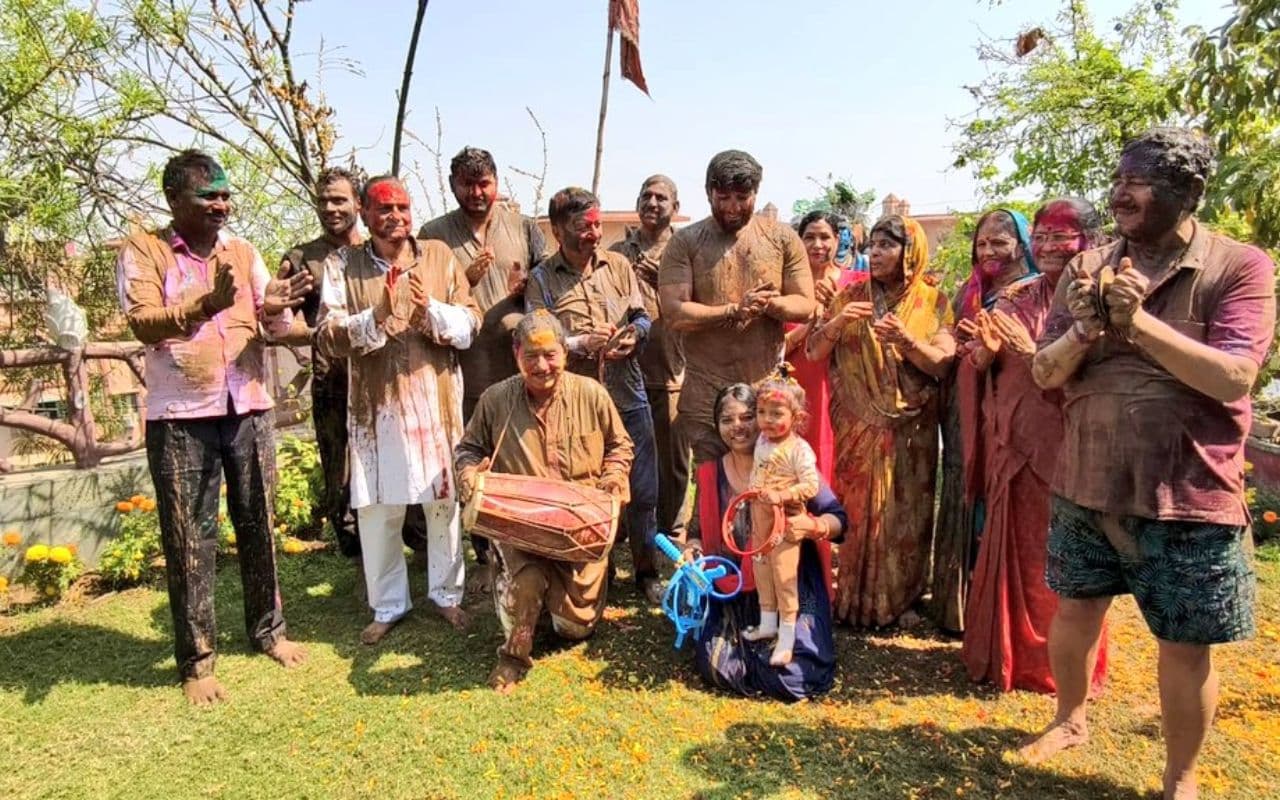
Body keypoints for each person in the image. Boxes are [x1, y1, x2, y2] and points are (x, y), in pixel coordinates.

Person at [1023, 128, 1274, 800]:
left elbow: (1234, 377)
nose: (1120, 193)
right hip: (1089, 480)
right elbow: (1045, 371)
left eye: (1139, 180)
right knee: (1075, 611)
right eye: (1119, 177)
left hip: (1188, 488)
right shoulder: (1089, 266)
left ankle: (1181, 776)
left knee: (1186, 645)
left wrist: (1139, 324)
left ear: (1189, 191)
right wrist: (1086, 329)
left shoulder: (1238, 266)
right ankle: (1070, 721)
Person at [116, 149, 310, 705]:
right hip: (180, 417)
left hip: (247, 405)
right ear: (175, 199)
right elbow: (141, 322)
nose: (222, 205)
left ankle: (269, 632)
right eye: (210, 196)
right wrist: (205, 305)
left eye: (226, 196)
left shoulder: (243, 252)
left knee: (260, 524)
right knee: (189, 539)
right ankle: (197, 663)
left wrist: (274, 306)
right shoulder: (145, 251)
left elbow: (275, 323)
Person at [315, 175, 478, 643]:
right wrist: (378, 317)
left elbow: (470, 321)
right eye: (384, 209)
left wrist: (433, 315)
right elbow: (328, 334)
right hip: (375, 409)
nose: (396, 217)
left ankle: (447, 596)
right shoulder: (342, 265)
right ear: (365, 215)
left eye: (403, 208)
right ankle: (387, 605)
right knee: (378, 509)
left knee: (443, 503)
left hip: (436, 402)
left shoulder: (440, 257)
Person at [959, 199, 1110, 693]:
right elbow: (986, 365)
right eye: (1042, 236)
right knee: (1015, 547)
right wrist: (983, 353)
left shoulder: (1104, 302)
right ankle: (1008, 656)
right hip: (1015, 442)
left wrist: (1030, 354)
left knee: (1064, 557)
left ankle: (1058, 666)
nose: (1048, 246)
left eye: (1060, 237)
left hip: (1071, 445)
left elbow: (1100, 375)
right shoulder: (1018, 296)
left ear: (1089, 240)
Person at [455, 312, 634, 693]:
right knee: (530, 581)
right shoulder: (495, 399)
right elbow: (467, 450)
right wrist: (469, 474)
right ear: (517, 354)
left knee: (574, 629)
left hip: (580, 529)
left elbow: (620, 446)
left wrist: (614, 478)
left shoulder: (591, 393)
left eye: (550, 354)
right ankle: (513, 655)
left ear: (565, 354)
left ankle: (561, 605)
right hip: (521, 527)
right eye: (531, 356)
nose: (542, 365)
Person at [807, 215, 956, 627]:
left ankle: (900, 599)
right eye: (871, 244)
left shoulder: (935, 302)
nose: (875, 253)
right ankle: (850, 595)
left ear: (911, 252)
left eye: (887, 245)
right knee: (855, 509)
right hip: (857, 425)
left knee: (904, 513)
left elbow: (943, 365)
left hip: (911, 430)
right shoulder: (849, 296)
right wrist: (837, 323)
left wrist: (907, 342)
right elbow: (815, 352)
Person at [526, 187, 661, 603]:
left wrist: (634, 337)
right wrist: (579, 341)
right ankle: (585, 577)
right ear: (558, 230)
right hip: (574, 403)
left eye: (598, 225)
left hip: (626, 390)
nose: (595, 234)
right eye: (584, 227)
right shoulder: (542, 280)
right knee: (582, 492)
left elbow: (642, 316)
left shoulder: (618, 265)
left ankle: (645, 573)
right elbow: (537, 337)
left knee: (643, 489)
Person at [418, 147, 545, 571]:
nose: (476, 192)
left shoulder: (524, 227)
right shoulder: (433, 235)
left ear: (496, 183)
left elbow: (547, 287)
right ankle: (481, 548)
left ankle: (523, 540)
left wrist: (527, 286)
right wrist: (463, 281)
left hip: (516, 365)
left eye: (484, 183)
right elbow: (423, 302)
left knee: (520, 449)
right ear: (453, 184)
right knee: (473, 452)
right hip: (464, 368)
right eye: (467, 184)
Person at [686, 383, 847, 701]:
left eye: (747, 417)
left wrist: (809, 526)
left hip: (794, 580)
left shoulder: (791, 461)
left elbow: (839, 521)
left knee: (795, 677)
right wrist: (692, 552)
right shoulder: (710, 474)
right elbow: (695, 534)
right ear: (717, 426)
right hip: (735, 586)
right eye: (727, 420)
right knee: (716, 665)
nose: (737, 427)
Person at [659, 149, 815, 469]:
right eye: (723, 197)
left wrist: (769, 305)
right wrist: (732, 311)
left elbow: (806, 304)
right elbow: (674, 312)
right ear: (708, 193)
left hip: (765, 392)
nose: (732, 207)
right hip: (706, 390)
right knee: (710, 483)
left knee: (767, 485)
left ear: (756, 194)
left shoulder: (782, 239)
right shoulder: (686, 242)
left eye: (742, 197)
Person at [931, 209, 1039, 633]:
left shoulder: (1033, 292)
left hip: (1011, 413)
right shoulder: (971, 292)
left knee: (996, 496)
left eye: (1000, 242)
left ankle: (994, 608)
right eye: (982, 244)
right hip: (965, 407)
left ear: (1021, 245)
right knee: (962, 488)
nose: (989, 251)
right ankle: (956, 604)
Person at [609, 175, 688, 539]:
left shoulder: (685, 251)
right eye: (646, 196)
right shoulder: (617, 253)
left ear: (676, 207)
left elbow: (696, 306)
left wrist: (663, 284)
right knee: (623, 456)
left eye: (661, 198)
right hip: (624, 373)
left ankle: (670, 532)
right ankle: (625, 528)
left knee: (670, 462)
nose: (652, 203)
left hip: (672, 371)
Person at [740, 370, 820, 666]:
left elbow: (811, 485)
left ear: (796, 416)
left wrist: (783, 495)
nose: (767, 420)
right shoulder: (762, 440)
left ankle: (787, 639)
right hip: (759, 517)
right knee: (762, 568)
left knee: (784, 576)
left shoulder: (799, 449)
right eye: (761, 413)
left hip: (785, 521)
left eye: (776, 414)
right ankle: (767, 622)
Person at [784, 210, 850, 478]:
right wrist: (812, 323)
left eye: (825, 237)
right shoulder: (786, 289)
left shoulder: (857, 284)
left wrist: (838, 311)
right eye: (809, 237)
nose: (817, 245)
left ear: (837, 240)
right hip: (797, 386)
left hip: (844, 386)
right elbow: (778, 349)